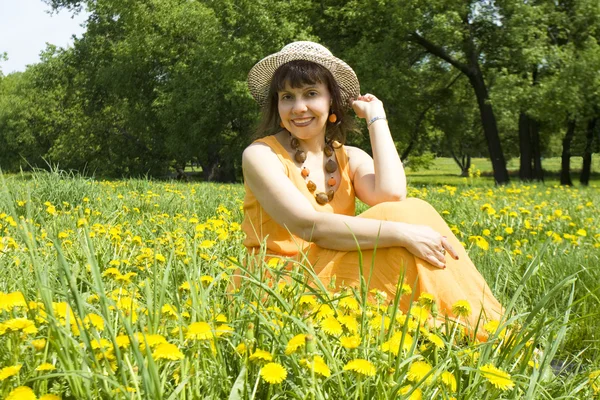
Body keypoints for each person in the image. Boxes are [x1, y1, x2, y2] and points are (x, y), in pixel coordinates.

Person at [241, 41, 502, 334]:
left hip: (328, 265)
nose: (298, 107)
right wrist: (402, 234)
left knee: (412, 210)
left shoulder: (348, 157)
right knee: (403, 228)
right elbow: (307, 226)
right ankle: (483, 333)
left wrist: (377, 118)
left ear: (332, 103)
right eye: (287, 97)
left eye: (311, 94)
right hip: (280, 285)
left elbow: (391, 195)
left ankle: (475, 327)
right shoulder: (261, 155)